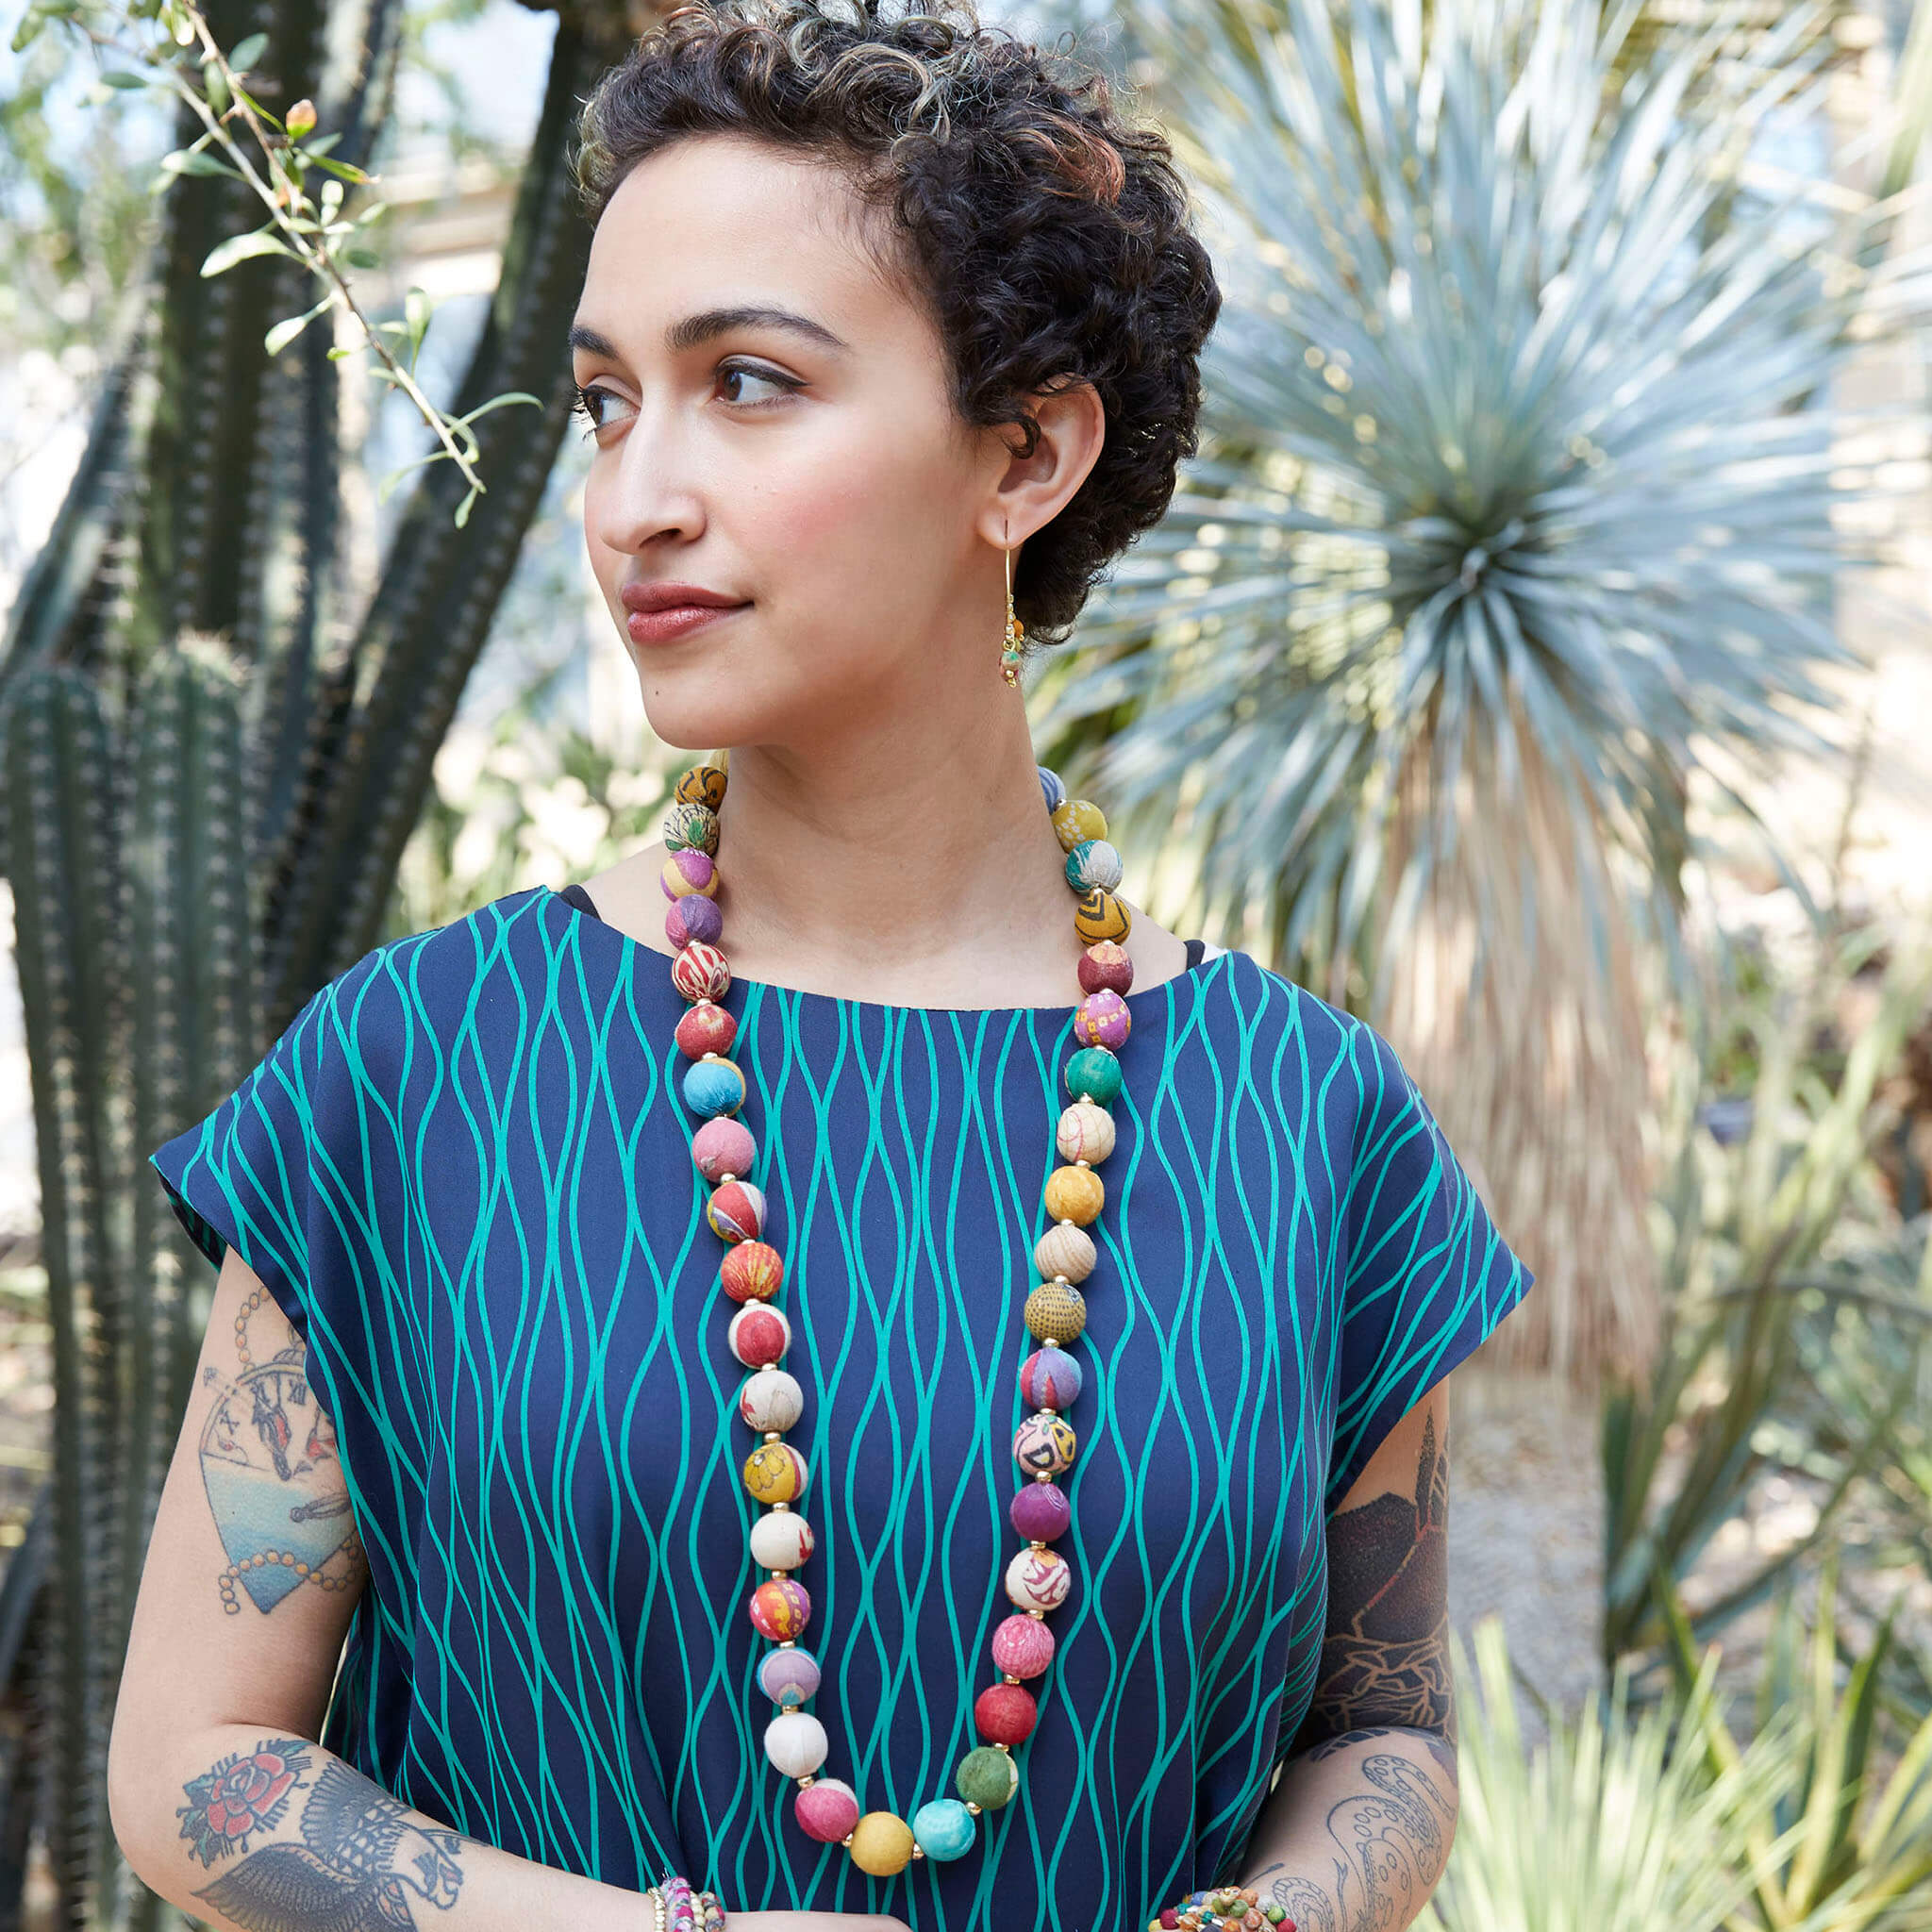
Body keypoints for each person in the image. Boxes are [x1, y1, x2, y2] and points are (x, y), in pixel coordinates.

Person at [108, 4, 1535, 1931]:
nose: (633, 499)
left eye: (750, 385)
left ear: (1023, 452)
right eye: (607, 402)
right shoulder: (416, 1070)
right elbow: (198, 1765)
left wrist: (1267, 1914)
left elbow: (1380, 1727)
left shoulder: (1310, 1121)